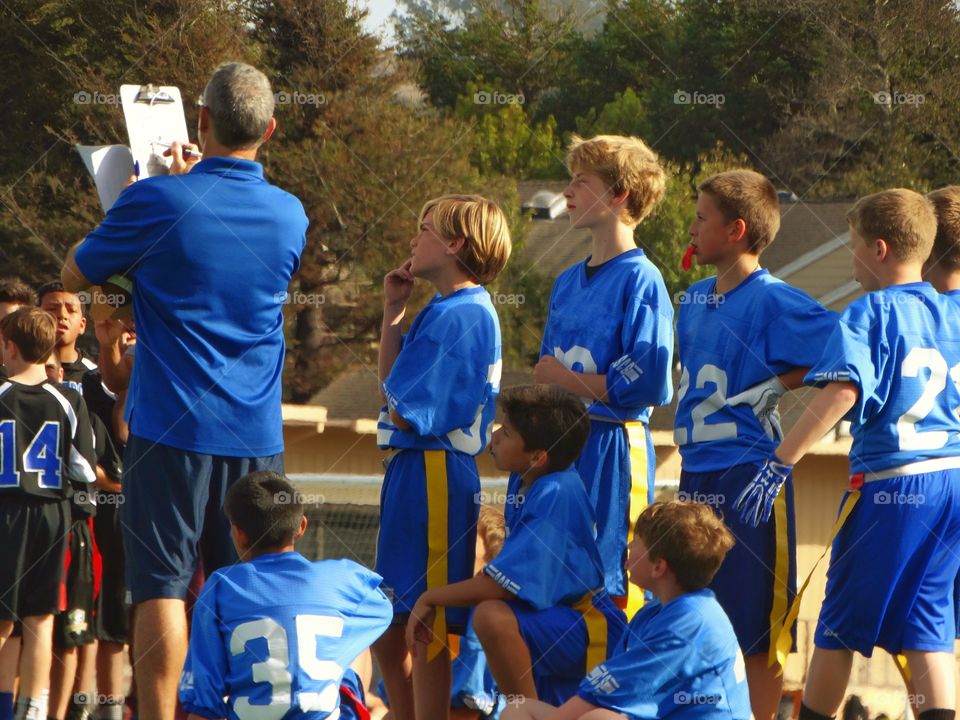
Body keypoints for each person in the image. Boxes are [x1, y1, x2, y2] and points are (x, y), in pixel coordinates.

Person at [61, 61, 308, 720]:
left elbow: (76, 270)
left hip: (170, 427)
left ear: (201, 120)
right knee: (249, 584)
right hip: (256, 432)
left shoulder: (156, 199)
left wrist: (156, 197)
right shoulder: (291, 215)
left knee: (161, 585)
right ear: (271, 130)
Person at [734, 188, 960, 720]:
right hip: (952, 480)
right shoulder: (951, 312)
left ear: (879, 250)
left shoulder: (872, 310)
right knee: (928, 626)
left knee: (835, 623)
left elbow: (842, 392)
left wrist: (782, 459)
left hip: (892, 484)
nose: (850, 255)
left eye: (853, 243)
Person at [674, 169, 837, 720]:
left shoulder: (772, 298)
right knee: (689, 612)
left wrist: (778, 383)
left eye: (701, 218)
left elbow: (842, 351)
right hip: (694, 475)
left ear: (737, 229)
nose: (692, 227)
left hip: (748, 478)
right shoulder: (693, 298)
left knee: (756, 628)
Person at [373, 194, 511, 720]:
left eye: (424, 228)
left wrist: (398, 399)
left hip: (435, 469)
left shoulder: (464, 314)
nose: (413, 238)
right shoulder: (445, 308)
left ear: (455, 244)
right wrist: (393, 310)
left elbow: (405, 411)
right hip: (416, 469)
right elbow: (391, 387)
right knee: (394, 618)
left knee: (426, 619)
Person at [406, 385, 627, 709]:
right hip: (555, 621)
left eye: (507, 433)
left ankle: (526, 714)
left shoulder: (555, 491)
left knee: (491, 616)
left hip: (586, 627)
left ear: (538, 456)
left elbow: (502, 587)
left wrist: (428, 597)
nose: (495, 436)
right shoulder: (533, 478)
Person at [532, 134, 673, 614]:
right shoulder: (567, 279)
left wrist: (566, 380)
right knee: (557, 576)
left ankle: (614, 687)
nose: (567, 192)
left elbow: (649, 380)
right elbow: (543, 374)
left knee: (613, 578)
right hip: (566, 444)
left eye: (580, 181)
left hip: (614, 447)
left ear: (620, 195)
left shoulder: (642, 278)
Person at [502, 500, 751, 720]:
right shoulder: (655, 611)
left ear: (658, 567)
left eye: (636, 543)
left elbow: (605, 693)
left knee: (598, 719)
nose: (628, 548)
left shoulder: (689, 622)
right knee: (518, 708)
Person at [178, 471, 392, 720]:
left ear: (238, 533)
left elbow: (204, 702)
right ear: (301, 526)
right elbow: (388, 613)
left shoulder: (221, 586)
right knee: (352, 639)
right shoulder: (344, 578)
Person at [0, 307, 97, 720]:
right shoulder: (69, 398)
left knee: (2, 619)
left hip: (5, 511)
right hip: (52, 513)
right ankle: (31, 710)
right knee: (40, 617)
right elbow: (86, 470)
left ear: (10, 346)